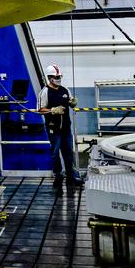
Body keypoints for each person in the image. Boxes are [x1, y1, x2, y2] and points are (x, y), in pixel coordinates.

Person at [37, 63, 78, 195]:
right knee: (55, 153)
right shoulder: (45, 92)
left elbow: (71, 101)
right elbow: (40, 110)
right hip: (54, 129)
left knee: (68, 153)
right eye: (56, 76)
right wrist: (52, 110)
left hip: (66, 128)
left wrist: (72, 103)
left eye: (59, 76)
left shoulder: (65, 90)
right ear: (50, 78)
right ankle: (58, 177)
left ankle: (70, 177)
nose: (58, 78)